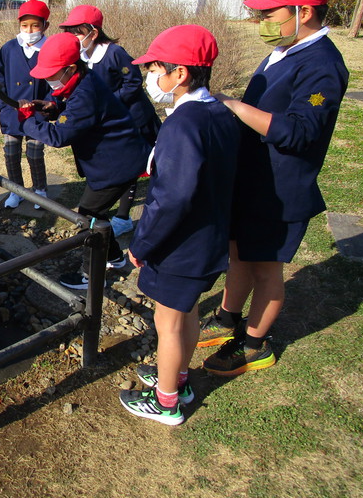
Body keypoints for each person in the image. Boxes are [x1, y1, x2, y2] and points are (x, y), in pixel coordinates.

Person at [197, 0, 348, 376]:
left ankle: (254, 344)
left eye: (270, 13)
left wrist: (236, 107)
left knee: (266, 268)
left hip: (280, 189)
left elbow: (300, 132)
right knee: (239, 253)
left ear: (305, 11)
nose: (262, 21)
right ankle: (228, 317)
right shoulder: (284, 50)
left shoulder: (322, 66)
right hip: (252, 179)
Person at [117, 25, 240, 425]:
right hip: (208, 237)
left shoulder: (182, 125)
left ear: (181, 73)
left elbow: (173, 197)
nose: (151, 77)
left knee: (166, 322)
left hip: (180, 245)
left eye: (155, 68)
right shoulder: (219, 113)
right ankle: (179, 378)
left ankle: (166, 401)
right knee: (184, 314)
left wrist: (142, 244)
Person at [18, 33, 149, 289]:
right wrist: (51, 107)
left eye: (52, 74)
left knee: (88, 217)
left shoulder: (85, 93)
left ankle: (90, 276)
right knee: (96, 214)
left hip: (117, 164)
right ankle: (114, 257)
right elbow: (71, 110)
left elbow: (59, 135)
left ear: (70, 68)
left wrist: (27, 121)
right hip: (116, 159)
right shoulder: (81, 81)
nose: (47, 79)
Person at [59, 5, 161, 237]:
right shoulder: (80, 57)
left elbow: (133, 82)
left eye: (77, 32)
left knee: (131, 166)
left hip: (132, 117)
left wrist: (107, 104)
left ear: (93, 33)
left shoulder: (114, 53)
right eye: (69, 32)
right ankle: (106, 203)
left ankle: (123, 216)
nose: (73, 38)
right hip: (107, 120)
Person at [0, 0, 53, 209]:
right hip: (12, 110)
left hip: (37, 112)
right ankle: (16, 190)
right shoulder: (9, 48)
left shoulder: (51, 49)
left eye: (35, 25)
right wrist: (1, 105)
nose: (29, 30)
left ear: (45, 25)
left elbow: (58, 83)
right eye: (25, 25)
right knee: (11, 152)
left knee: (35, 153)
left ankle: (40, 191)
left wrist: (49, 105)